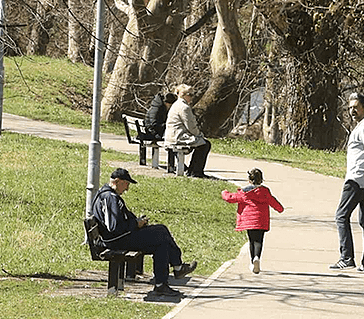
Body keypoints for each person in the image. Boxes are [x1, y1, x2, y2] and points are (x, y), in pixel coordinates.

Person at [91, 168, 197, 297]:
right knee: (161, 231)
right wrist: (136, 224)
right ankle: (178, 267)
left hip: (120, 238)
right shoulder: (109, 198)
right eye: (126, 184)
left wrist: (137, 221)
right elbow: (114, 227)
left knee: (161, 243)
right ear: (117, 182)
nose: (127, 189)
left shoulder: (109, 195)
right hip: (117, 241)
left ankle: (161, 285)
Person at [330, 92, 364, 274]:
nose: (352, 111)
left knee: (341, 216)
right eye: (350, 108)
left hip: (358, 180)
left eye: (356, 108)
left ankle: (347, 258)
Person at [222, 168, 284, 274]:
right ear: (261, 179)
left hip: (249, 221)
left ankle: (252, 262)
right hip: (261, 220)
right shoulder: (265, 192)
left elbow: (231, 198)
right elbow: (273, 201)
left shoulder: (245, 192)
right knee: (259, 240)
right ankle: (257, 257)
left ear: (249, 180)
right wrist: (280, 209)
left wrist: (224, 192)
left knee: (251, 240)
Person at [164, 84, 212, 177]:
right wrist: (199, 135)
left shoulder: (176, 104)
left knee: (202, 143)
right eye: (190, 94)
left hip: (173, 136)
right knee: (205, 144)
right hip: (178, 137)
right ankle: (196, 172)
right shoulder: (184, 107)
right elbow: (191, 127)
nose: (191, 97)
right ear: (183, 94)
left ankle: (192, 170)